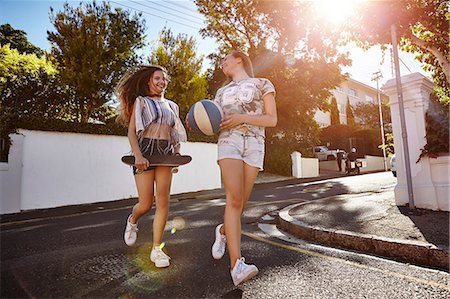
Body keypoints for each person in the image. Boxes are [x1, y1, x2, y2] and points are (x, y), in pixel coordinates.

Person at [188, 51, 277, 286]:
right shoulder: (221, 93)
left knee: (241, 204)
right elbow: (212, 120)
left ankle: (223, 232)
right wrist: (195, 121)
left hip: (255, 144)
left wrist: (242, 118)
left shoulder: (263, 84)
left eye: (225, 58)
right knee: (234, 200)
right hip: (229, 142)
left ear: (239, 59)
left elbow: (271, 119)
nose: (222, 63)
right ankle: (236, 265)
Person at [116, 65, 187, 268]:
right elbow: (132, 133)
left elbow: (174, 134)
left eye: (164, 79)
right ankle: (133, 220)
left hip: (165, 153)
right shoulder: (141, 102)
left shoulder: (173, 106)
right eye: (157, 78)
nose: (161, 82)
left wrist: (177, 154)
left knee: (163, 201)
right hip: (144, 152)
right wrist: (138, 156)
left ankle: (157, 248)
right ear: (148, 81)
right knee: (146, 204)